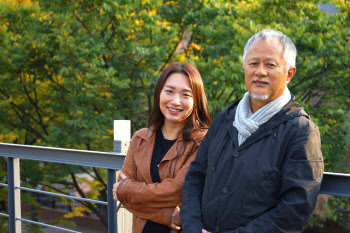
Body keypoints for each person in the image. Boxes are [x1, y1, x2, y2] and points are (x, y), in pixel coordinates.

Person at [180, 29, 324, 233]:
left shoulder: (301, 131)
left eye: (270, 64)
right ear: (245, 67)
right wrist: (193, 227)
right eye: (253, 63)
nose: (260, 72)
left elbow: (295, 209)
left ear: (289, 73)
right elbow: (195, 177)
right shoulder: (225, 119)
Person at [112, 62, 211, 233]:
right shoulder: (140, 139)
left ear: (196, 100)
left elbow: (178, 191)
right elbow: (122, 197)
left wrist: (127, 189)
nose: (176, 101)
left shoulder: (202, 141)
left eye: (185, 94)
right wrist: (166, 215)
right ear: (159, 93)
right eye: (169, 91)